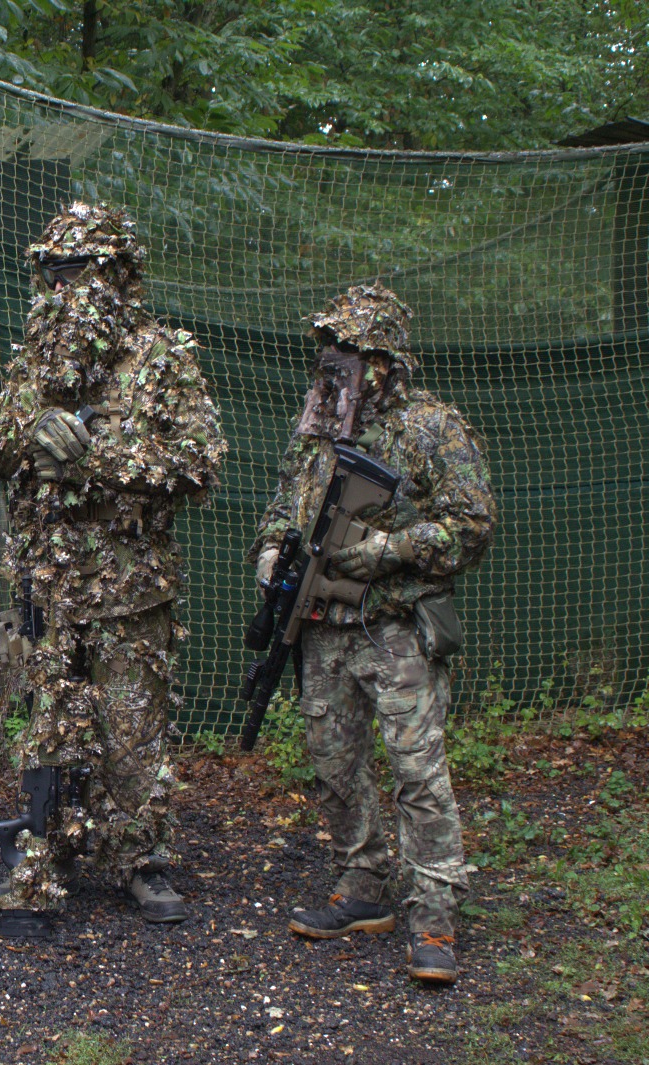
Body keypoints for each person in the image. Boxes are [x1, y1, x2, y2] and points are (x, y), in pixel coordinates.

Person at [0, 204, 225, 928]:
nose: (63, 291)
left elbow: (199, 461)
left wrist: (98, 458)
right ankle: (48, 852)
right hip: (49, 587)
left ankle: (139, 859)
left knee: (131, 730)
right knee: (50, 725)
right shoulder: (36, 360)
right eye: (51, 276)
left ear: (116, 275)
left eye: (77, 274)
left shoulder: (160, 357)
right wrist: (31, 433)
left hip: (130, 585)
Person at [252, 284, 494, 985]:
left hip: (397, 627)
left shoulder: (432, 427)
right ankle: (363, 883)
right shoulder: (316, 429)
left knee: (417, 772)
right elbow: (285, 503)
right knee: (333, 764)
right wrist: (270, 550)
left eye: (349, 350)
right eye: (328, 349)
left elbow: (473, 523)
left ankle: (434, 914)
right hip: (323, 627)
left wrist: (394, 549)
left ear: (383, 361)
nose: (332, 362)